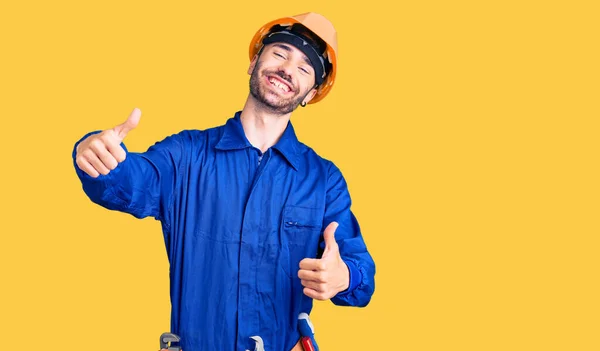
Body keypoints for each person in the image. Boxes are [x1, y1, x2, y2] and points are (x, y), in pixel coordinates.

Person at [72, 12, 376, 351]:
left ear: (311, 93)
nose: (288, 69)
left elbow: (360, 272)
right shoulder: (187, 155)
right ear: (253, 62)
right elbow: (132, 182)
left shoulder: (323, 180)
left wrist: (345, 277)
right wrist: (98, 157)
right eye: (280, 53)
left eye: (305, 68)